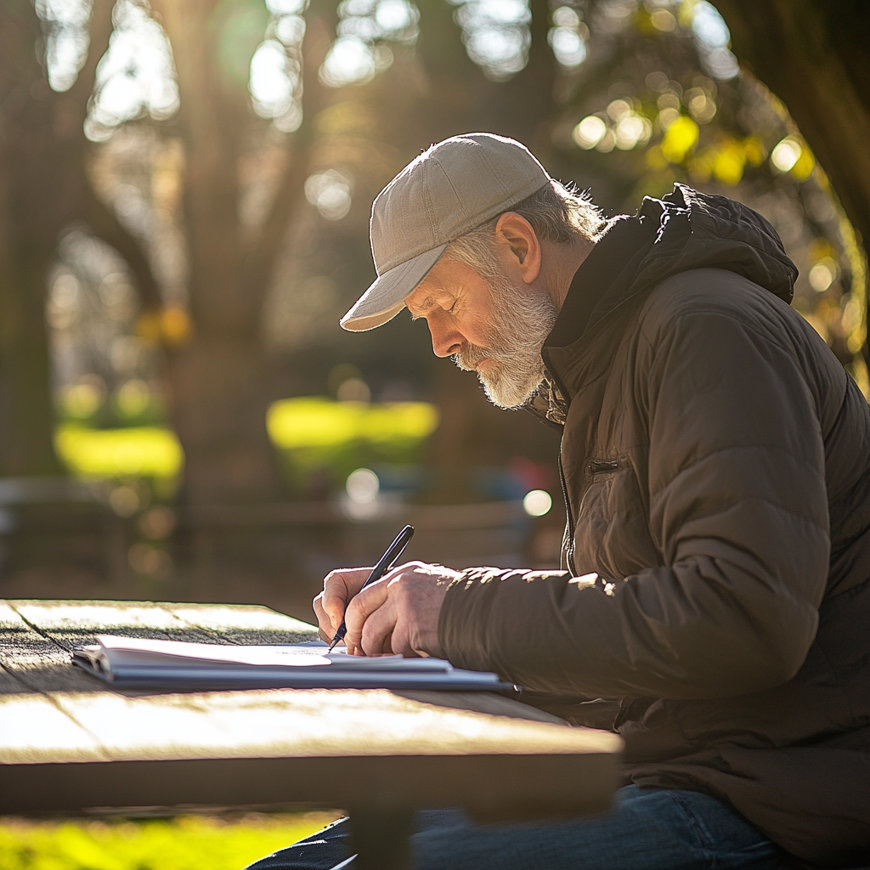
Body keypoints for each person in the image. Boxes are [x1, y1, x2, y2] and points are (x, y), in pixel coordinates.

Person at [248, 133, 870, 870]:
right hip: (674, 770)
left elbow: (741, 619)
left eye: (443, 304)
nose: (443, 344)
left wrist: (461, 609)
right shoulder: (606, 367)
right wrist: (422, 626)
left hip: (782, 799)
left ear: (518, 246)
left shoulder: (706, 330)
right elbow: (637, 620)